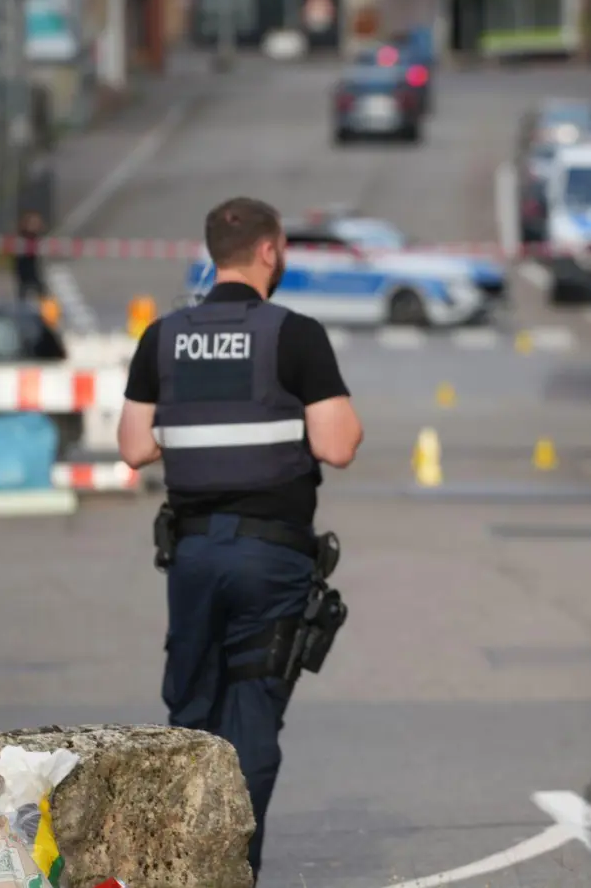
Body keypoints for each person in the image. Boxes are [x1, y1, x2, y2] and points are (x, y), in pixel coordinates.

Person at [116, 196, 364, 879]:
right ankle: (232, 871)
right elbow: (338, 445)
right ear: (269, 250)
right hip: (269, 557)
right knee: (250, 721)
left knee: (192, 716)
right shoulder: (295, 336)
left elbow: (134, 447)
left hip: (193, 555)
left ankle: (181, 869)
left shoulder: (164, 337)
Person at [13, 211, 47, 304]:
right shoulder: (21, 239)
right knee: (23, 295)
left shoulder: (37, 238)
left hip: (34, 272)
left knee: (42, 293)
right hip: (24, 272)